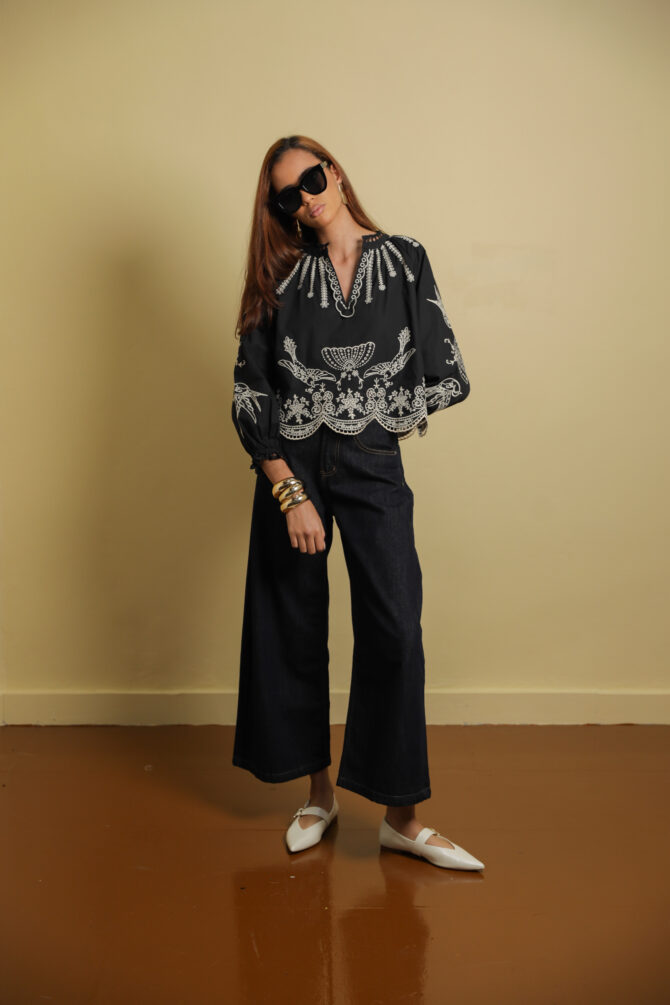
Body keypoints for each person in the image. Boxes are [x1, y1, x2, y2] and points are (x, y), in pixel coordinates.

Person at [230, 134, 484, 871]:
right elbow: (250, 388)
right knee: (292, 622)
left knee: (396, 625)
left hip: (372, 460)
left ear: (335, 173)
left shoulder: (404, 258)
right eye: (288, 194)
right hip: (294, 466)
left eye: (312, 179)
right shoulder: (279, 276)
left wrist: (379, 412)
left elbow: (436, 360)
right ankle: (319, 796)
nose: (305, 198)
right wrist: (289, 492)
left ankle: (402, 817)